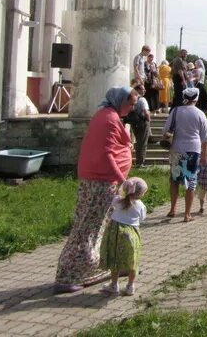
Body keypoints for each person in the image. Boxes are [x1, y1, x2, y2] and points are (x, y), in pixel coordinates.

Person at [54, 86, 137, 294]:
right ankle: (70, 274)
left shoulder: (106, 115)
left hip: (98, 180)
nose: (132, 108)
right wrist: (122, 180)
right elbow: (108, 153)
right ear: (120, 101)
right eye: (131, 103)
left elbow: (112, 147)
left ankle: (94, 267)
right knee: (88, 227)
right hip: (100, 181)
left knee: (95, 226)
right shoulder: (109, 119)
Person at [165, 87, 207, 222]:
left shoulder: (176, 111)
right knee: (191, 181)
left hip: (176, 148)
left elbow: (166, 130)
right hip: (193, 150)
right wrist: (203, 155)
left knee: (174, 180)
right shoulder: (200, 114)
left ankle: (172, 210)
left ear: (185, 97)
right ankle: (187, 214)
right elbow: (205, 137)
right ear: (196, 98)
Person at [99, 177, 148, 296]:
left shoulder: (117, 200)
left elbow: (113, 203)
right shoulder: (140, 206)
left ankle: (114, 285)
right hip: (131, 234)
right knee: (133, 260)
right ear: (141, 193)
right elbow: (142, 218)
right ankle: (130, 286)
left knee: (115, 259)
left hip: (115, 232)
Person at [125, 81, 151, 167]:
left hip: (135, 123)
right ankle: (140, 163)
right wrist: (149, 119)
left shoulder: (131, 98)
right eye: (143, 89)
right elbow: (145, 112)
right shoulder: (142, 99)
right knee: (143, 143)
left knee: (139, 143)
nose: (145, 91)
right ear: (138, 90)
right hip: (143, 123)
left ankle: (138, 161)